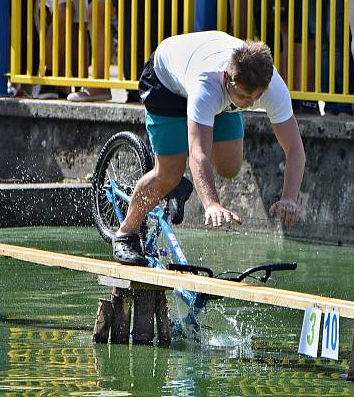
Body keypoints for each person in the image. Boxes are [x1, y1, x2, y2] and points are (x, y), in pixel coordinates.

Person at [112, 31, 306, 265]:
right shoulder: (207, 85)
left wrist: (289, 197)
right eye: (244, 96)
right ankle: (126, 232)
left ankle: (175, 183)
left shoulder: (272, 84)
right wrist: (211, 204)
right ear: (227, 76)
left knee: (229, 167)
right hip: (166, 83)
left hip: (216, 93)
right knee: (169, 173)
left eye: (257, 97)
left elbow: (294, 147)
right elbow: (198, 153)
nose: (250, 103)